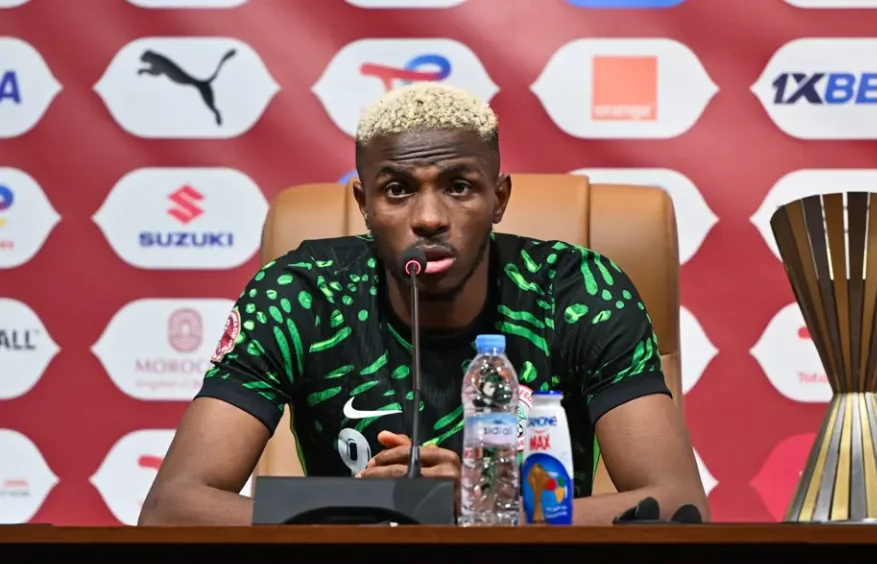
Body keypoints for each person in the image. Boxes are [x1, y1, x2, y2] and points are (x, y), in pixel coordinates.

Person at [139, 82, 709, 526]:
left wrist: (486, 511)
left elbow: (678, 504)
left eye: (459, 186)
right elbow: (172, 507)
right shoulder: (302, 294)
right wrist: (361, 511)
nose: (430, 218)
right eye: (398, 190)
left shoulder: (578, 290)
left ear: (499, 198)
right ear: (364, 204)